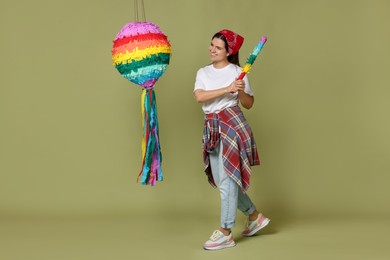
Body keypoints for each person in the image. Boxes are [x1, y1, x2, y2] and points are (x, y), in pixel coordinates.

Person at [193, 29, 270, 250]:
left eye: (218, 47)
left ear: (229, 52)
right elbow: (200, 97)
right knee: (223, 181)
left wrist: (239, 92)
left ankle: (225, 232)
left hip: (233, 124)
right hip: (213, 126)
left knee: (227, 181)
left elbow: (248, 103)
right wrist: (226, 88)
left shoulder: (238, 72)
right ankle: (254, 216)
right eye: (212, 45)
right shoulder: (203, 72)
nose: (212, 49)